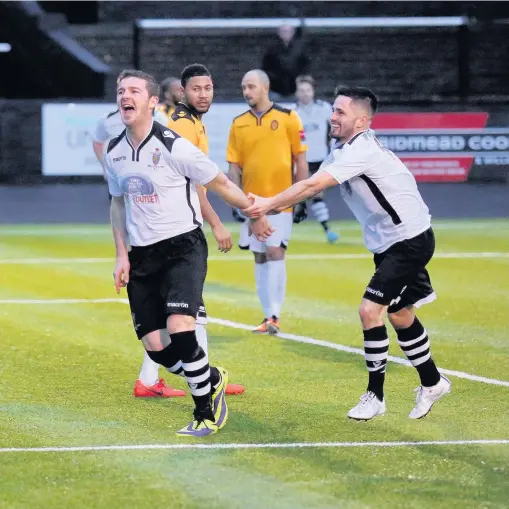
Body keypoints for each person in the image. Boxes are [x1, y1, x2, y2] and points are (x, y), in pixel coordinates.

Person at [244, 85, 451, 421]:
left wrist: (267, 204)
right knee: (399, 313)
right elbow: (310, 183)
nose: (332, 116)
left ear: (361, 121)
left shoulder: (360, 150)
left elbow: (312, 186)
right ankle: (432, 382)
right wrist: (270, 206)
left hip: (407, 239)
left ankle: (375, 396)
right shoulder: (343, 148)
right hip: (392, 241)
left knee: (370, 311)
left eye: (340, 112)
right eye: (334, 110)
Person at [104, 69, 273, 436]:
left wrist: (252, 210)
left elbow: (219, 181)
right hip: (143, 255)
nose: (124, 96)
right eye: (121, 91)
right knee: (158, 349)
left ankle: (205, 413)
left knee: (182, 327)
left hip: (183, 247)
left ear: (152, 101)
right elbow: (117, 203)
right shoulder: (115, 151)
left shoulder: (173, 144)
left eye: (134, 90)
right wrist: (122, 254)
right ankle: (211, 376)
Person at [167, 63, 245, 396]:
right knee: (190, 310)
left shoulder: (191, 122)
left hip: (174, 223)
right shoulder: (184, 126)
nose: (203, 94)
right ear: (183, 92)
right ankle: (209, 381)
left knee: (176, 312)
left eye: (208, 88)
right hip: (179, 226)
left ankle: (151, 379)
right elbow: (195, 183)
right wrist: (216, 223)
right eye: (196, 89)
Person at [227, 69, 309, 335]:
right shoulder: (238, 123)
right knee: (260, 255)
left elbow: (300, 159)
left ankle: (274, 315)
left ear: (265, 86)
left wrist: (302, 196)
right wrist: (235, 198)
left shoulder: (288, 118)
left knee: (276, 251)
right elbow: (234, 167)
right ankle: (267, 316)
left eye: (250, 86)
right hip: (251, 205)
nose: (246, 92)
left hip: (281, 200)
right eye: (243, 87)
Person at [294, 75, 339, 243]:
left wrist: (335, 148)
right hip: (302, 160)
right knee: (307, 193)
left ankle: (326, 229)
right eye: (301, 90)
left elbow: (336, 128)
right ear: (297, 93)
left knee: (317, 194)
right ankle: (324, 227)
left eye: (307, 90)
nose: (305, 93)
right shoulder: (293, 113)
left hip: (322, 159)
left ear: (313, 91)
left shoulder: (325, 108)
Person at [261, 24, 310, 100]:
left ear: (293, 32)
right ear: (279, 32)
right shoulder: (271, 48)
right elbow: (265, 67)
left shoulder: (300, 48)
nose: (286, 33)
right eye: (284, 31)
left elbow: (305, 66)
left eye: (288, 31)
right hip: (276, 89)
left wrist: (300, 79)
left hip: (296, 89)